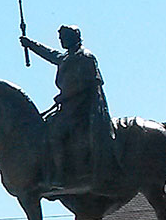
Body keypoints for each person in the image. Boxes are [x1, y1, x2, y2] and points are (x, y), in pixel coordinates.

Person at [20, 25, 116, 193]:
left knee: (55, 134)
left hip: (83, 108)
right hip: (69, 106)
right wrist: (30, 44)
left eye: (63, 37)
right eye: (60, 37)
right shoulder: (67, 57)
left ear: (74, 37)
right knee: (46, 126)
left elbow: (91, 82)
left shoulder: (85, 57)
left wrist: (65, 96)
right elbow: (51, 54)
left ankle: (60, 175)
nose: (60, 40)